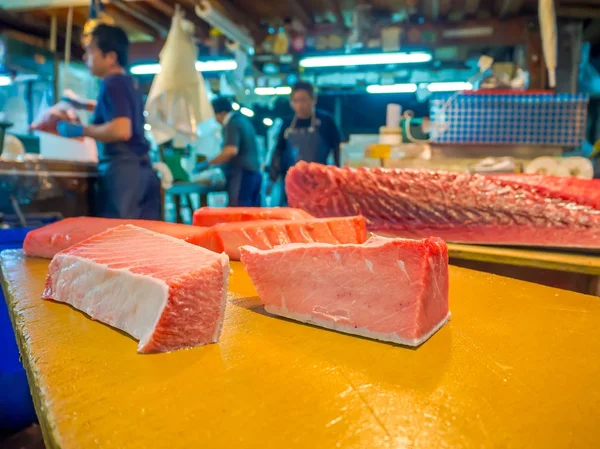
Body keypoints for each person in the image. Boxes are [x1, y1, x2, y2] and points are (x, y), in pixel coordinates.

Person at [56, 24, 160, 220]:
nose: (86, 57)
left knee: (118, 239)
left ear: (111, 57)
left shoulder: (112, 83)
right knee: (143, 239)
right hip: (140, 171)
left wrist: (79, 130)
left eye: (90, 51)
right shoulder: (127, 81)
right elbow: (116, 111)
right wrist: (82, 104)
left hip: (123, 173)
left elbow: (121, 130)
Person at [267, 81, 342, 204]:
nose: (300, 105)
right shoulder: (287, 123)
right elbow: (279, 151)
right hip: (292, 183)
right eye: (296, 101)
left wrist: (338, 177)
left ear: (314, 100)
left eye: (304, 100)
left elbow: (338, 149)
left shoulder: (326, 121)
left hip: (319, 182)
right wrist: (272, 178)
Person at [194, 97, 262, 207]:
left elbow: (230, 151)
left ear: (221, 113)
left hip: (242, 174)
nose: (215, 120)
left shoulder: (232, 123)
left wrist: (209, 163)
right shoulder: (243, 120)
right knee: (253, 213)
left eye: (214, 115)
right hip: (253, 173)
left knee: (240, 212)